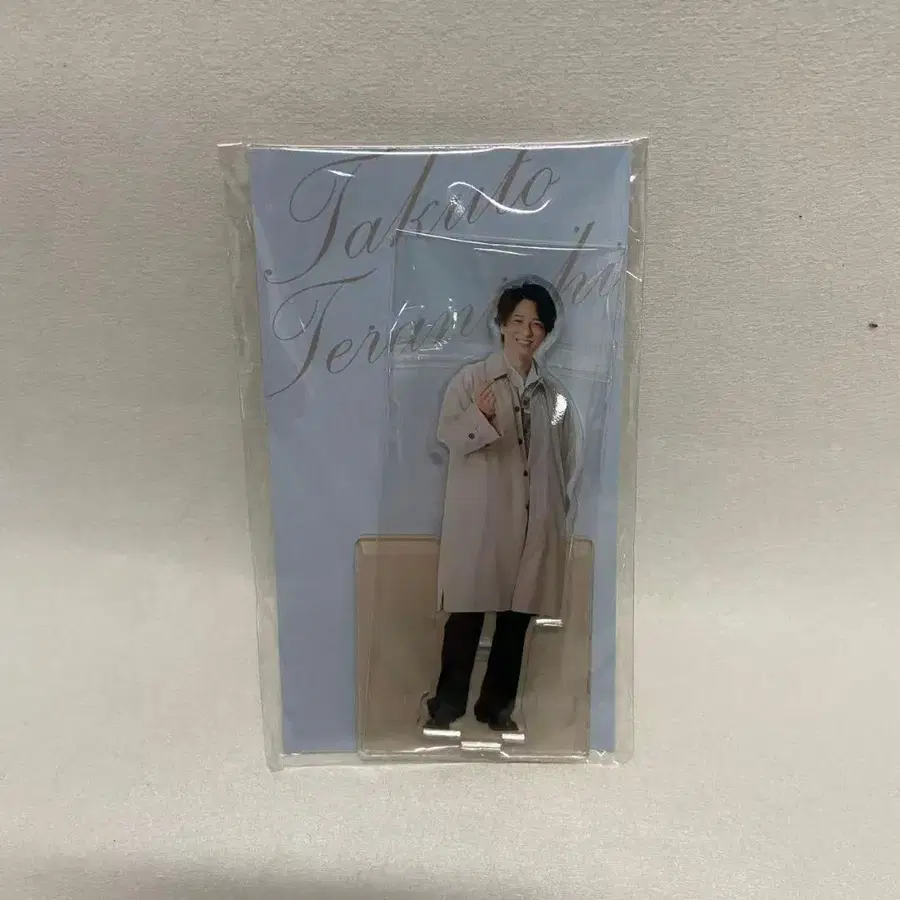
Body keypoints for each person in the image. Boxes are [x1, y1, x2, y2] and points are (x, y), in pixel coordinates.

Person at [425, 278, 580, 732]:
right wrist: (481, 416)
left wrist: (556, 509)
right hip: (484, 522)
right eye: (518, 321)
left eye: (537, 324)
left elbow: (566, 457)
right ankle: (446, 709)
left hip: (535, 523)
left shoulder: (553, 395)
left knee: (517, 620)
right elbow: (449, 436)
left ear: (547, 332)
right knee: (467, 614)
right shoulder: (471, 381)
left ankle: (496, 709)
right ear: (502, 325)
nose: (527, 332)